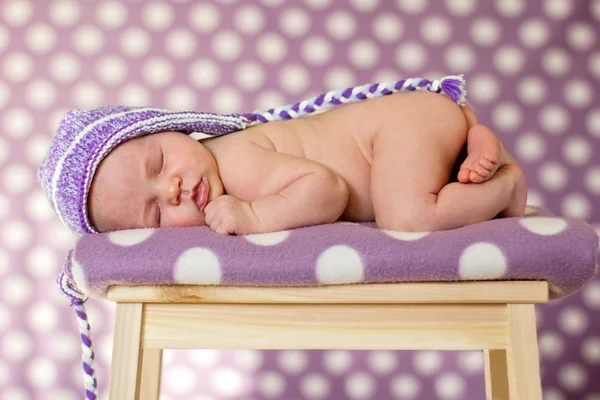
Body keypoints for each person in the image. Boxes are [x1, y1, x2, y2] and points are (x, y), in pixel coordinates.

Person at [39, 83, 527, 236]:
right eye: (156, 213)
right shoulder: (220, 174)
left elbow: (328, 191)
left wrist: (253, 216)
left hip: (394, 131)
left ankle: (504, 184)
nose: (173, 190)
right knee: (412, 189)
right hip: (415, 127)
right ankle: (472, 143)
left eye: (159, 163)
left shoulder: (236, 164)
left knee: (407, 215)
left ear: (171, 127)